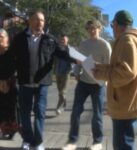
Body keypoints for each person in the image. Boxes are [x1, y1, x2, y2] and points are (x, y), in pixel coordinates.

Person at [9, 10, 76, 150]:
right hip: (25, 82)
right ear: (30, 21)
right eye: (37, 19)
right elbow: (11, 58)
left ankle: (38, 142)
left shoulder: (49, 39)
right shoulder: (19, 38)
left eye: (42, 20)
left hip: (42, 84)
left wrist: (78, 59)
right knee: (25, 113)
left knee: (40, 112)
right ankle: (27, 140)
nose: (40, 23)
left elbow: (62, 53)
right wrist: (4, 77)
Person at [92, 10, 137, 150]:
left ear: (117, 24)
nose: (112, 29)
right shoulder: (135, 40)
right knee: (125, 143)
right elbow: (123, 68)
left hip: (125, 104)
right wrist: (99, 68)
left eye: (112, 25)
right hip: (130, 102)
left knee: (122, 145)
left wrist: (100, 73)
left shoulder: (127, 40)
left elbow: (125, 73)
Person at [62, 20, 111, 150]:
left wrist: (104, 80)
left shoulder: (105, 45)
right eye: (89, 28)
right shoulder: (83, 44)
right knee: (75, 112)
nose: (92, 30)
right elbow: (79, 61)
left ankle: (97, 142)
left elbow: (108, 66)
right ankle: (72, 141)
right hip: (83, 82)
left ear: (100, 29)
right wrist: (77, 73)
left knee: (97, 114)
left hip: (98, 84)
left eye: (94, 28)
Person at [0, 28, 18, 139]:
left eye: (1, 37)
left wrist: (8, 82)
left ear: (7, 39)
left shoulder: (12, 53)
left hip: (11, 84)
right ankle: (3, 129)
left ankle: (12, 130)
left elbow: (18, 70)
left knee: (12, 108)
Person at [54, 34, 72, 115]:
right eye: (61, 39)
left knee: (62, 91)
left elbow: (74, 60)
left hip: (66, 72)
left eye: (64, 39)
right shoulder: (57, 49)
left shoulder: (70, 49)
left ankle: (59, 108)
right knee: (59, 91)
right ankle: (64, 102)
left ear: (67, 40)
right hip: (57, 72)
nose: (62, 41)